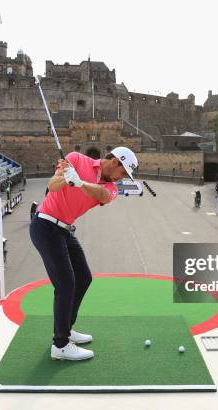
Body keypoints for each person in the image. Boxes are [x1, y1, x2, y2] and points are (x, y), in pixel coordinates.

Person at [29, 147, 137, 361]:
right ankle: (60, 345)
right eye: (123, 173)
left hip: (65, 230)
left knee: (84, 278)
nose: (122, 178)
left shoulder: (111, 187)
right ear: (115, 161)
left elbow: (102, 195)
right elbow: (52, 186)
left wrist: (79, 182)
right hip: (46, 226)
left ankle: (66, 330)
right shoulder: (75, 159)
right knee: (66, 284)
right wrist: (67, 177)